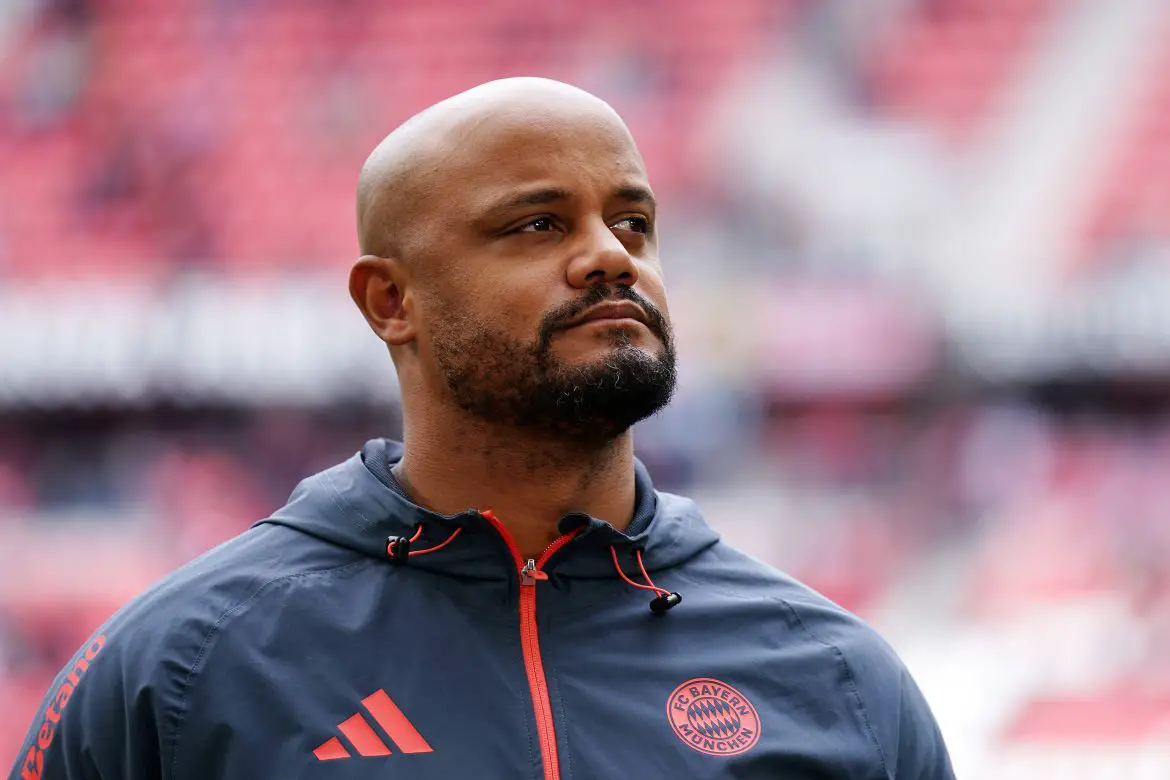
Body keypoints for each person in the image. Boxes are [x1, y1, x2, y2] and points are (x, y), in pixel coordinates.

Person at [8, 78, 954, 780]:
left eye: (634, 222)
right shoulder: (178, 672)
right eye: (538, 226)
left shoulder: (837, 680)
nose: (609, 257)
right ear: (391, 300)